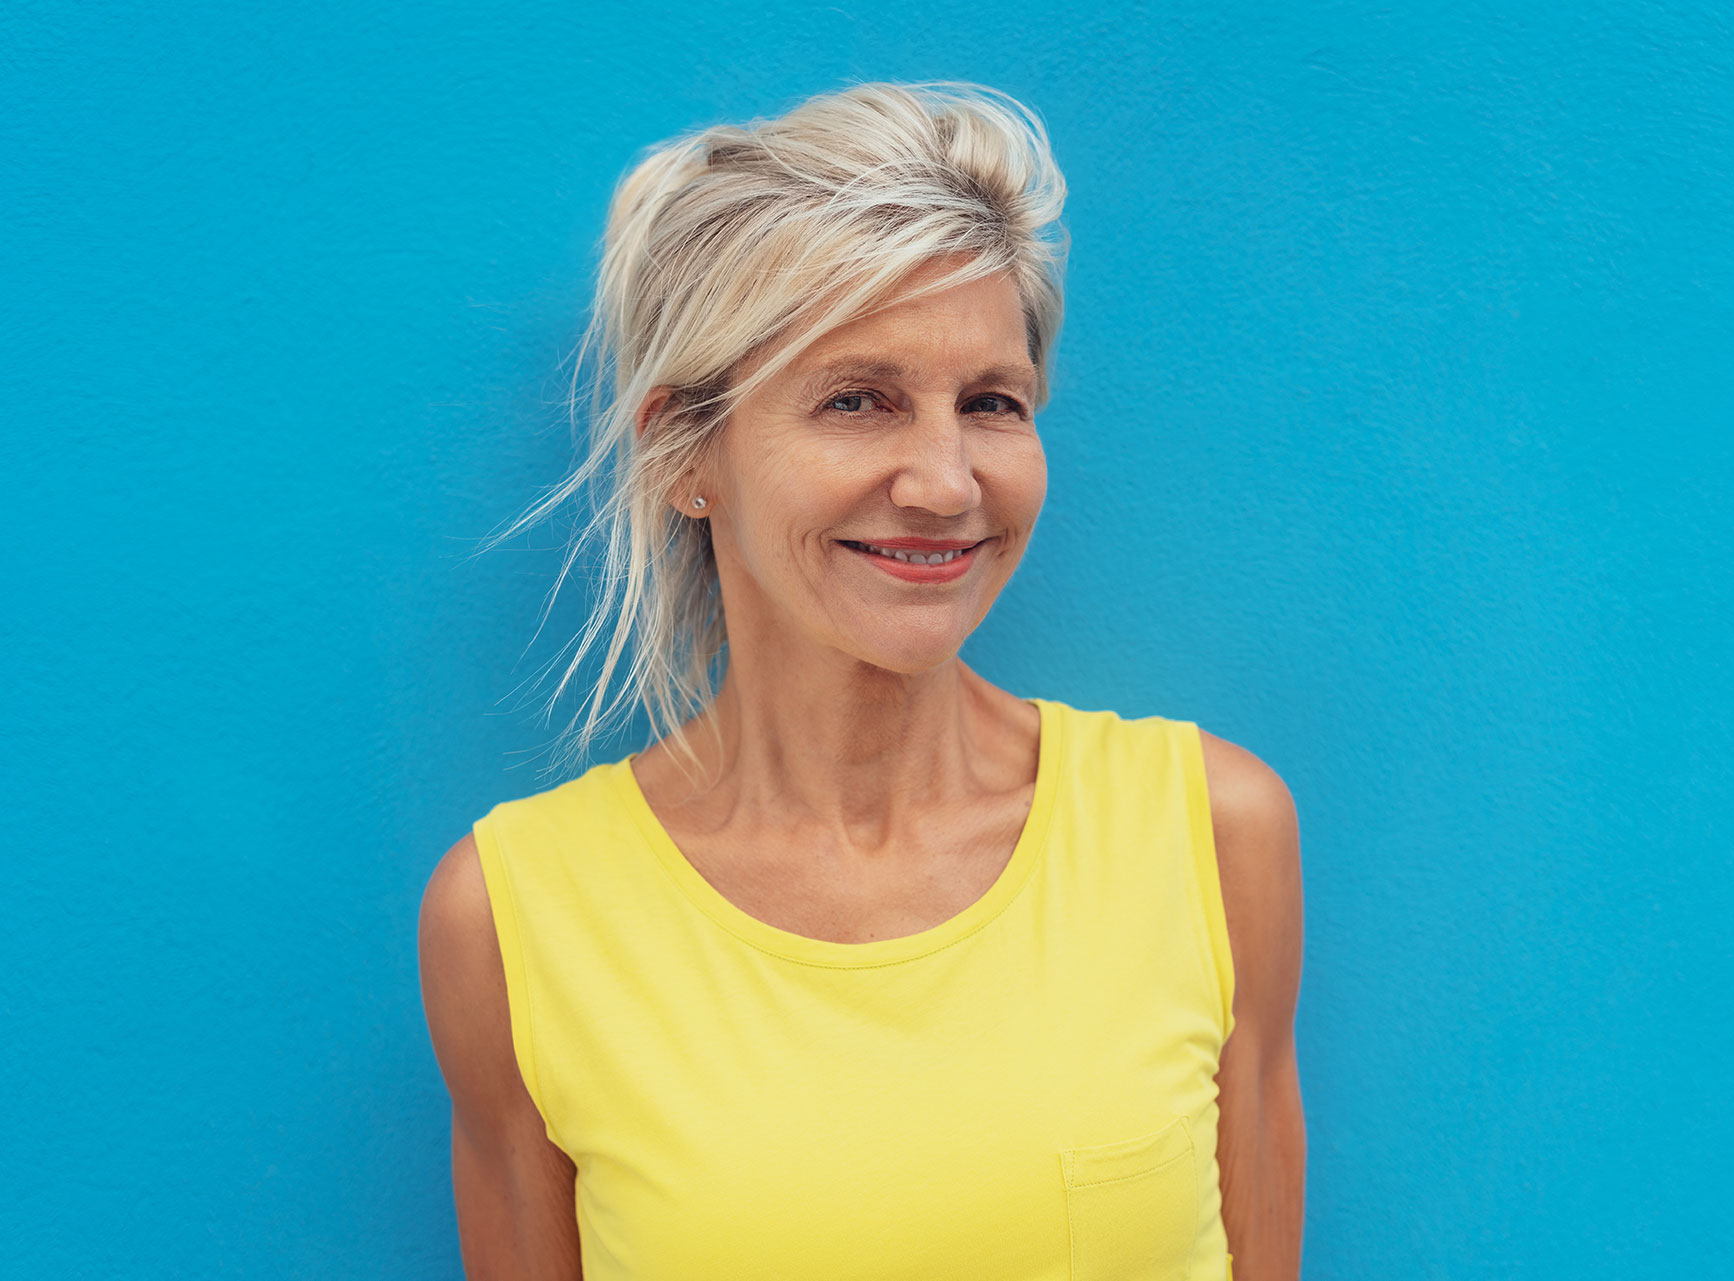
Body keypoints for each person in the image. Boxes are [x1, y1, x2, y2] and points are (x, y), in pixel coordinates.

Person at [418, 80, 1305, 1280]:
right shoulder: (513, 922)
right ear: (685, 452)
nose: (945, 482)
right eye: (857, 400)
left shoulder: (1210, 833)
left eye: (990, 403)